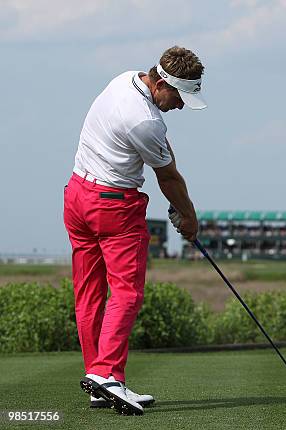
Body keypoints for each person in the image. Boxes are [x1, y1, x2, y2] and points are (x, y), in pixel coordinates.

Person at [63, 46, 204, 415]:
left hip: (77, 196)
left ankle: (100, 379)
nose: (181, 105)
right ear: (161, 83)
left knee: (90, 293)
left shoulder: (124, 80)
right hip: (113, 207)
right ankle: (107, 375)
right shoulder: (146, 121)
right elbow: (169, 177)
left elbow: (161, 148)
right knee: (126, 292)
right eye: (179, 96)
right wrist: (188, 217)